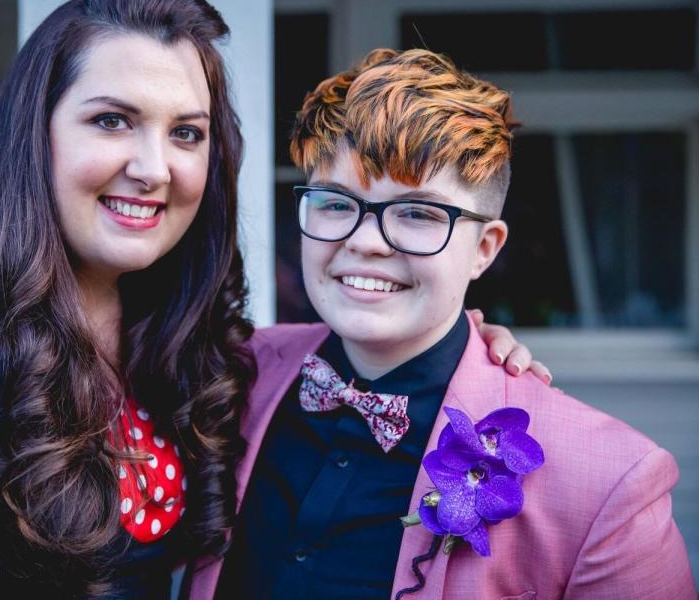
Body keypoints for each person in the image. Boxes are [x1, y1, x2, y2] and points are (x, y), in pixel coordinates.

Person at [0, 0, 539, 599]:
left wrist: (470, 350)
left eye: (185, 133)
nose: (153, 167)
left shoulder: (176, 329)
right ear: (37, 131)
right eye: (112, 120)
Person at [189, 49, 695, 599]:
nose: (363, 241)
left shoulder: (610, 484)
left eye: (417, 214)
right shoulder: (228, 372)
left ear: (483, 249)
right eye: (336, 203)